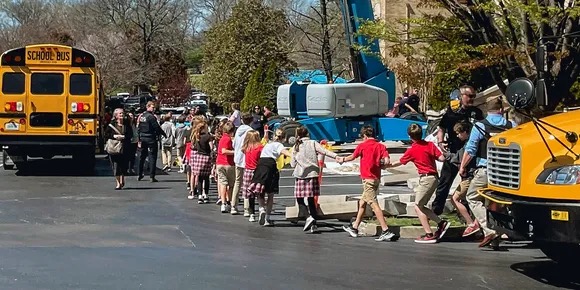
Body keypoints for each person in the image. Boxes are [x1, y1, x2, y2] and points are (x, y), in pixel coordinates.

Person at [459, 98, 515, 248]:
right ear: (502, 110)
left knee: (472, 196)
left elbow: (471, 149)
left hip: (487, 169)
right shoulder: (512, 126)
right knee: (497, 201)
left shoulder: (480, 126)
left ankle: (489, 230)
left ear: (486, 110)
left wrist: (462, 166)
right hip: (507, 171)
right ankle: (498, 235)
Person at [390, 124, 449, 244]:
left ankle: (431, 231)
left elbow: (400, 162)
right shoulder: (430, 145)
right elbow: (442, 158)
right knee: (421, 204)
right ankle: (439, 224)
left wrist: (386, 165)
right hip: (433, 177)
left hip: (426, 178)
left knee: (418, 206)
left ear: (409, 136)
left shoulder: (412, 150)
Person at [339, 126, 398, 242]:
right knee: (362, 202)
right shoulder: (381, 146)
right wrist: (381, 165)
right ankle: (355, 227)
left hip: (367, 179)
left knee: (373, 204)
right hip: (376, 178)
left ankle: (386, 230)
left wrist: (342, 160)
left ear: (365, 136)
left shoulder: (362, 146)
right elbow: (386, 161)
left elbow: (352, 156)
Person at [433, 85, 484, 215]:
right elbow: (441, 127)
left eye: (474, 96)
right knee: (445, 181)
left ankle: (465, 213)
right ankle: (437, 210)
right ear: (461, 96)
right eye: (469, 96)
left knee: (467, 183)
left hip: (469, 153)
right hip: (453, 151)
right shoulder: (452, 112)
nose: (472, 99)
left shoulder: (476, 113)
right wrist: (440, 142)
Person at [291, 126, 339, 233]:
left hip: (300, 175)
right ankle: (314, 223)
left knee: (299, 197)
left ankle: (308, 217)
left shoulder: (296, 146)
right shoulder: (313, 143)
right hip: (312, 174)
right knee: (311, 199)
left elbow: (292, 163)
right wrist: (336, 157)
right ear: (307, 134)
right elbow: (324, 151)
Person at [246, 128, 292, 226]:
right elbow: (284, 152)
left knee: (260, 191)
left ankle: (261, 208)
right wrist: (294, 155)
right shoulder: (279, 145)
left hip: (261, 165)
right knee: (270, 194)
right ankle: (267, 218)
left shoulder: (268, 144)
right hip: (270, 166)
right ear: (283, 138)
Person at [446, 121, 480, 237]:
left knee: (455, 199)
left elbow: (458, 159)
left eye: (459, 133)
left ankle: (471, 223)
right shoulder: (473, 143)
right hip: (472, 176)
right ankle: (476, 222)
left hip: (468, 177)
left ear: (465, 132)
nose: (457, 135)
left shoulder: (467, 146)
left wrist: (447, 155)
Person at [137, 101, 166, 182]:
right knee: (152, 157)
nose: (154, 109)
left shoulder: (142, 116)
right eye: (153, 107)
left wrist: (139, 138)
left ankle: (140, 174)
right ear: (148, 107)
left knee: (142, 157)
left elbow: (139, 127)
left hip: (143, 138)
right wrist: (163, 134)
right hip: (150, 138)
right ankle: (152, 176)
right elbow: (156, 127)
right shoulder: (151, 117)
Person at [231, 113, 254, 215]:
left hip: (237, 159)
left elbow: (234, 144)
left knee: (237, 182)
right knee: (247, 184)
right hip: (247, 159)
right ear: (251, 121)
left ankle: (233, 206)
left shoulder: (238, 131)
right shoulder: (251, 131)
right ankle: (246, 208)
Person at [105, 108, 133, 190]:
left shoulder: (127, 125)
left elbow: (130, 135)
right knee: (116, 165)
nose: (122, 114)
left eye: (122, 113)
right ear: (116, 115)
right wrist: (114, 136)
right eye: (120, 113)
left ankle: (122, 178)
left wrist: (124, 137)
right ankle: (118, 183)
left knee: (124, 165)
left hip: (125, 148)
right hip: (115, 148)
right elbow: (106, 134)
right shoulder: (111, 124)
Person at [241, 130, 263, 222]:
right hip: (257, 171)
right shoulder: (260, 148)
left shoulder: (246, 148)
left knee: (250, 194)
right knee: (260, 192)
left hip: (247, 171)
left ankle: (252, 214)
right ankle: (261, 209)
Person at [216, 121, 236, 213]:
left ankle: (224, 203)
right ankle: (229, 203)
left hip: (220, 163)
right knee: (231, 185)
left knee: (223, 183)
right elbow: (224, 151)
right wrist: (235, 152)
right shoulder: (227, 139)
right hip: (228, 164)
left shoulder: (222, 138)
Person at [191, 121, 214, 204]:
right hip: (206, 157)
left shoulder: (197, 136)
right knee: (206, 177)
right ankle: (206, 195)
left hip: (199, 157)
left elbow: (194, 147)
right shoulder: (208, 136)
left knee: (199, 177)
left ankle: (200, 195)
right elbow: (211, 147)